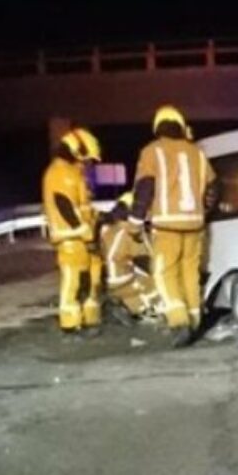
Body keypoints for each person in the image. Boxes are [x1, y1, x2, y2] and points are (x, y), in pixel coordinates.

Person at [127, 105, 216, 347]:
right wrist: (202, 214)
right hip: (195, 227)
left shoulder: (152, 151)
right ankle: (194, 321)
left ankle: (179, 323)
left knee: (164, 274)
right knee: (190, 274)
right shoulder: (197, 153)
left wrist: (134, 224)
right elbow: (213, 190)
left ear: (158, 127)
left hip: (167, 227)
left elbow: (144, 190)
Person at [42, 128, 104, 336]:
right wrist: (80, 227)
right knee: (73, 281)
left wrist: (93, 221)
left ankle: (87, 319)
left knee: (86, 281)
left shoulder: (71, 172)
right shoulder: (60, 172)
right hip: (70, 237)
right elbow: (63, 203)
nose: (87, 164)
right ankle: (70, 324)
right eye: (86, 159)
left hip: (79, 237)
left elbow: (80, 204)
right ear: (77, 150)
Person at [99, 192, 158, 324]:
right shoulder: (130, 231)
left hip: (108, 279)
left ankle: (121, 302)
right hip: (124, 282)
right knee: (162, 289)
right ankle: (133, 307)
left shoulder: (106, 227)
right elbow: (146, 263)